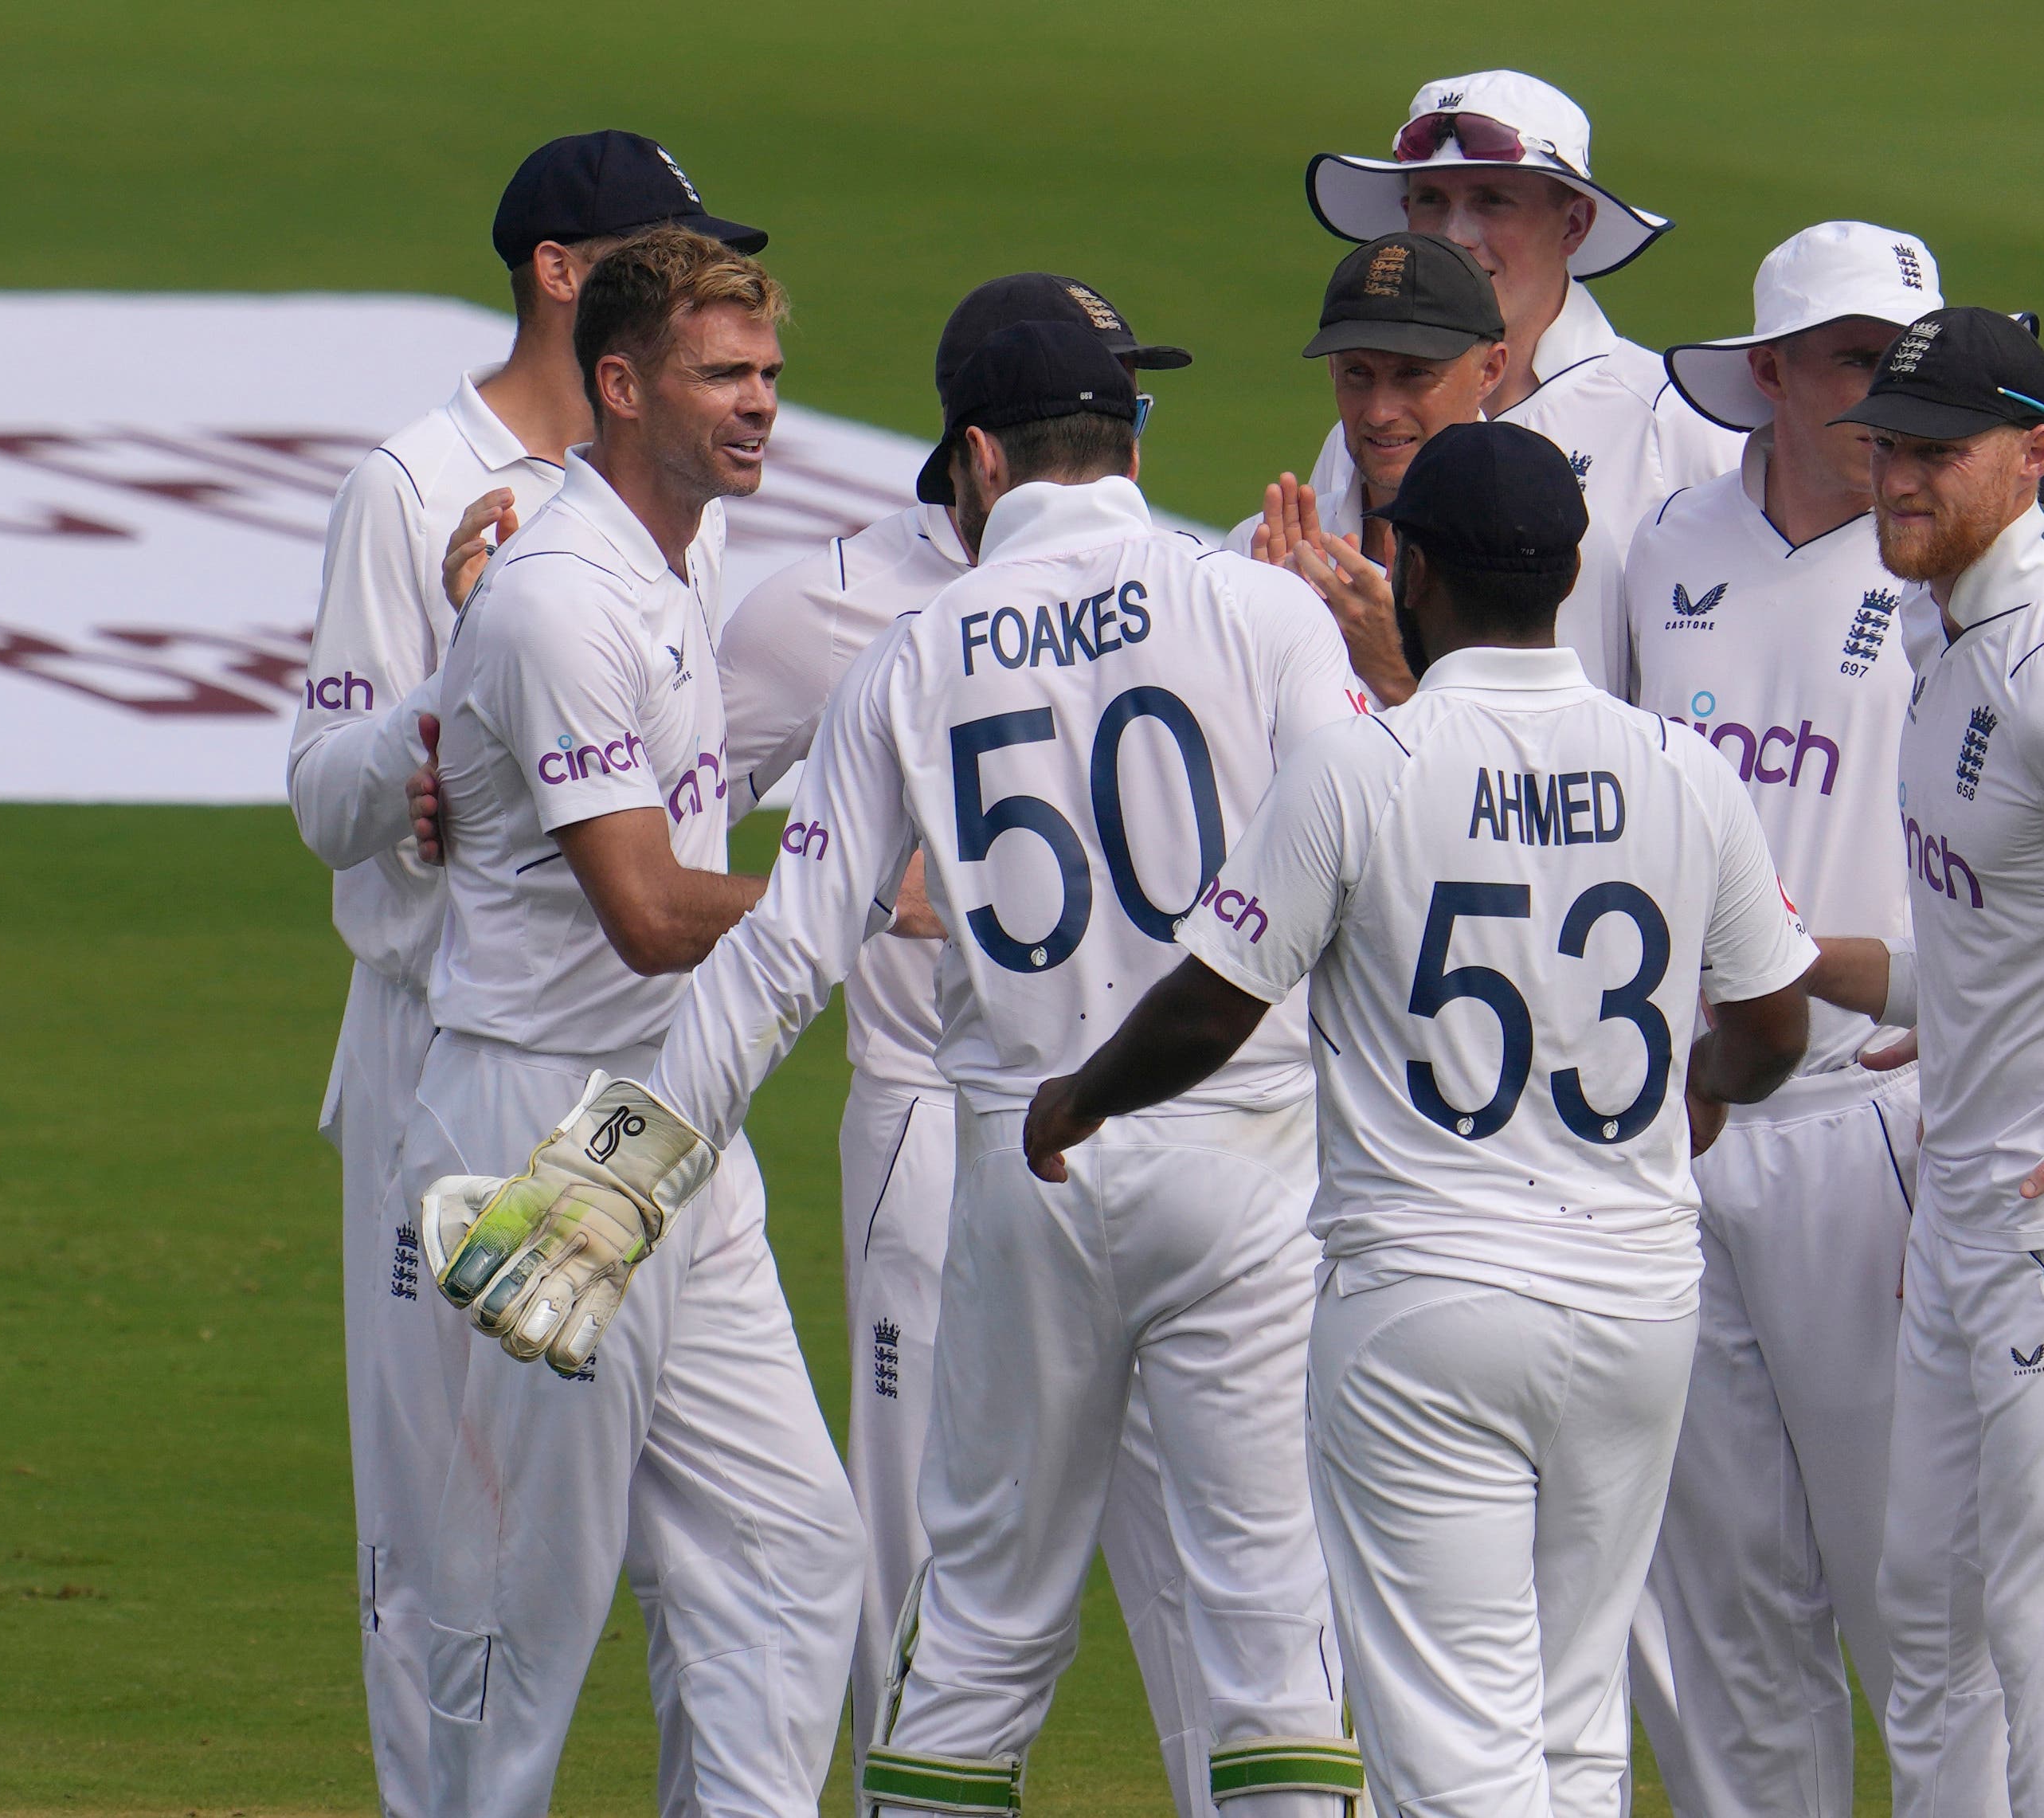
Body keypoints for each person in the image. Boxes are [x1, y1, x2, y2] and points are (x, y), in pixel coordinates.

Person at [439, 318, 1378, 1816]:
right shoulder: (1260, 616)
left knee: (979, 1635)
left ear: (981, 459)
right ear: (1128, 445)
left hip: (1019, 1167)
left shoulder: (913, 656)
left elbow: (782, 954)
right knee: (1268, 1628)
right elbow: (1361, 866)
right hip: (1246, 1166)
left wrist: (623, 1163)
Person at [1029, 421, 1816, 1818]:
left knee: (1451, 1753)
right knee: (1571, 1732)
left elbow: (1214, 1008)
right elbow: (1773, 1024)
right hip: (1638, 1303)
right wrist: (1696, 1093)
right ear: (1570, 573)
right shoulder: (1683, 771)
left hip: (1427, 1304)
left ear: (1416, 575)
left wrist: (1073, 1099)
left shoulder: (1363, 766)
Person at [282, 127, 762, 1818]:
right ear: (567, 278)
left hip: (631, 1060)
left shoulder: (677, 498)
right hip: (446, 1044)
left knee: (696, 1537)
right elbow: (320, 791)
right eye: (666, 251)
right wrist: (430, 727)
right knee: (449, 1535)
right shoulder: (412, 486)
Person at [719, 272, 1231, 1815]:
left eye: (1123, 410)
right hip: (938, 1135)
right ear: (979, 450)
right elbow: (656, 809)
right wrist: (875, 889)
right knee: (928, 1580)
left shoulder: (1187, 586)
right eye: (1090, 412)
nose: (1113, 443)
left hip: (1170, 1124)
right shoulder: (818, 613)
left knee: (1212, 1580)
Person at [403, 227, 861, 1818]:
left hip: (660, 1120)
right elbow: (653, 909)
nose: (759, 408)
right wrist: (855, 891)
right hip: (538, 1124)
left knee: (794, 1552)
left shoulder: (670, 561)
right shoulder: (554, 601)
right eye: (722, 376)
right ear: (618, 384)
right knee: (527, 1606)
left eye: (768, 378)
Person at [1623, 222, 1983, 1818]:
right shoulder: (1659, 548)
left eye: (1904, 368)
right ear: (1764, 373)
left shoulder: (1964, 582)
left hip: (1877, 1128)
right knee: (1725, 1620)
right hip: (1690, 1128)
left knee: (1924, 1608)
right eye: (1849, 363)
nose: (1880, 403)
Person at [1831, 306, 2044, 1817]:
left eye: (1936, 453)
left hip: (2030, 1212)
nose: (1899, 480)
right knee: (1926, 1623)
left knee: (2032, 1631)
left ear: (2030, 454)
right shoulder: (1935, 623)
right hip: (1962, 1204)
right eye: (1887, 447)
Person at [1297, 69, 1741, 697]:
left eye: (1490, 200)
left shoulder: (1669, 422)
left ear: (1573, 225)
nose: (1454, 235)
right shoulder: (1376, 422)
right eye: (1430, 200)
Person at [1235, 232, 1626, 709]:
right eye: (1358, 373)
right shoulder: (1255, 555)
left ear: (1490, 370)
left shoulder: (1555, 547)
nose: (1379, 412)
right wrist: (1266, 653)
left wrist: (1394, 677)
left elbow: (1572, 759)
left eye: (1414, 373)